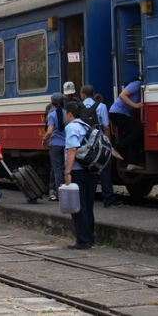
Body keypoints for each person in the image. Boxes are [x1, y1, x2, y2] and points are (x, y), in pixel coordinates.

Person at [80, 84, 122, 207]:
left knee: (87, 170)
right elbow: (106, 127)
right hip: (99, 143)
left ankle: (88, 198)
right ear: (93, 94)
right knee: (104, 170)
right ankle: (108, 199)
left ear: (82, 95)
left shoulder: (78, 107)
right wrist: (108, 143)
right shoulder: (101, 106)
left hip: (85, 144)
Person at [63, 101, 95, 249]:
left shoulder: (71, 127)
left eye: (65, 114)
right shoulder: (86, 126)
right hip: (90, 170)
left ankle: (82, 239)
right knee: (88, 206)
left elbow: (72, 150)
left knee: (78, 206)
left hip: (77, 171)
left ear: (69, 114)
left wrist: (67, 171)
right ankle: (90, 236)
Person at [109, 78, 144, 171]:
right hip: (117, 113)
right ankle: (115, 148)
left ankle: (131, 163)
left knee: (134, 136)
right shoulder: (137, 84)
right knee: (137, 133)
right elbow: (122, 95)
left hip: (123, 114)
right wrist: (135, 105)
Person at [42, 93, 66, 201]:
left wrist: (44, 139)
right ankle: (62, 191)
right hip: (66, 145)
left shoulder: (52, 114)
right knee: (63, 168)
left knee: (56, 170)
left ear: (52, 103)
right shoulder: (67, 113)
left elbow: (50, 131)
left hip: (55, 145)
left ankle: (59, 193)